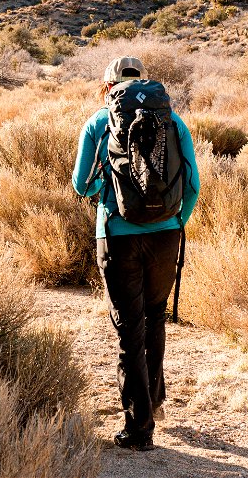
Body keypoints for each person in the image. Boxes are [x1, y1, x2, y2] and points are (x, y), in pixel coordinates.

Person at [72, 56, 200, 452]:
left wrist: (110, 198)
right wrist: (175, 221)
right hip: (166, 236)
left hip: (118, 237)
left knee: (129, 330)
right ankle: (155, 401)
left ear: (107, 85)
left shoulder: (98, 123)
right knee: (154, 316)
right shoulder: (173, 121)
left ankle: (139, 427)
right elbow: (192, 184)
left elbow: (82, 185)